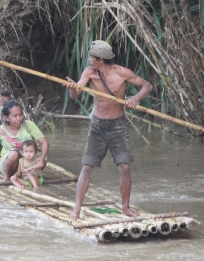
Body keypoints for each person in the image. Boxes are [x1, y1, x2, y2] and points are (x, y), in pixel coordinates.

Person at [65, 40, 152, 219]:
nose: (89, 60)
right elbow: (75, 95)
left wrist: (134, 98)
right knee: (87, 167)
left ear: (101, 60)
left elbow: (147, 86)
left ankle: (126, 207)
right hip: (97, 125)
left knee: (125, 167)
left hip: (118, 126)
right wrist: (73, 89)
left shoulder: (122, 73)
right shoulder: (90, 73)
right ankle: (77, 209)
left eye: (92, 58)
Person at [0, 100, 49, 181]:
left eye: (20, 114)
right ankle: (8, 177)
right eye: (15, 116)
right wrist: (2, 158)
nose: (19, 118)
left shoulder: (29, 125)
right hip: (8, 165)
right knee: (14, 153)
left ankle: (27, 174)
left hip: (27, 163)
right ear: (7, 118)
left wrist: (42, 157)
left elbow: (44, 143)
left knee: (45, 156)